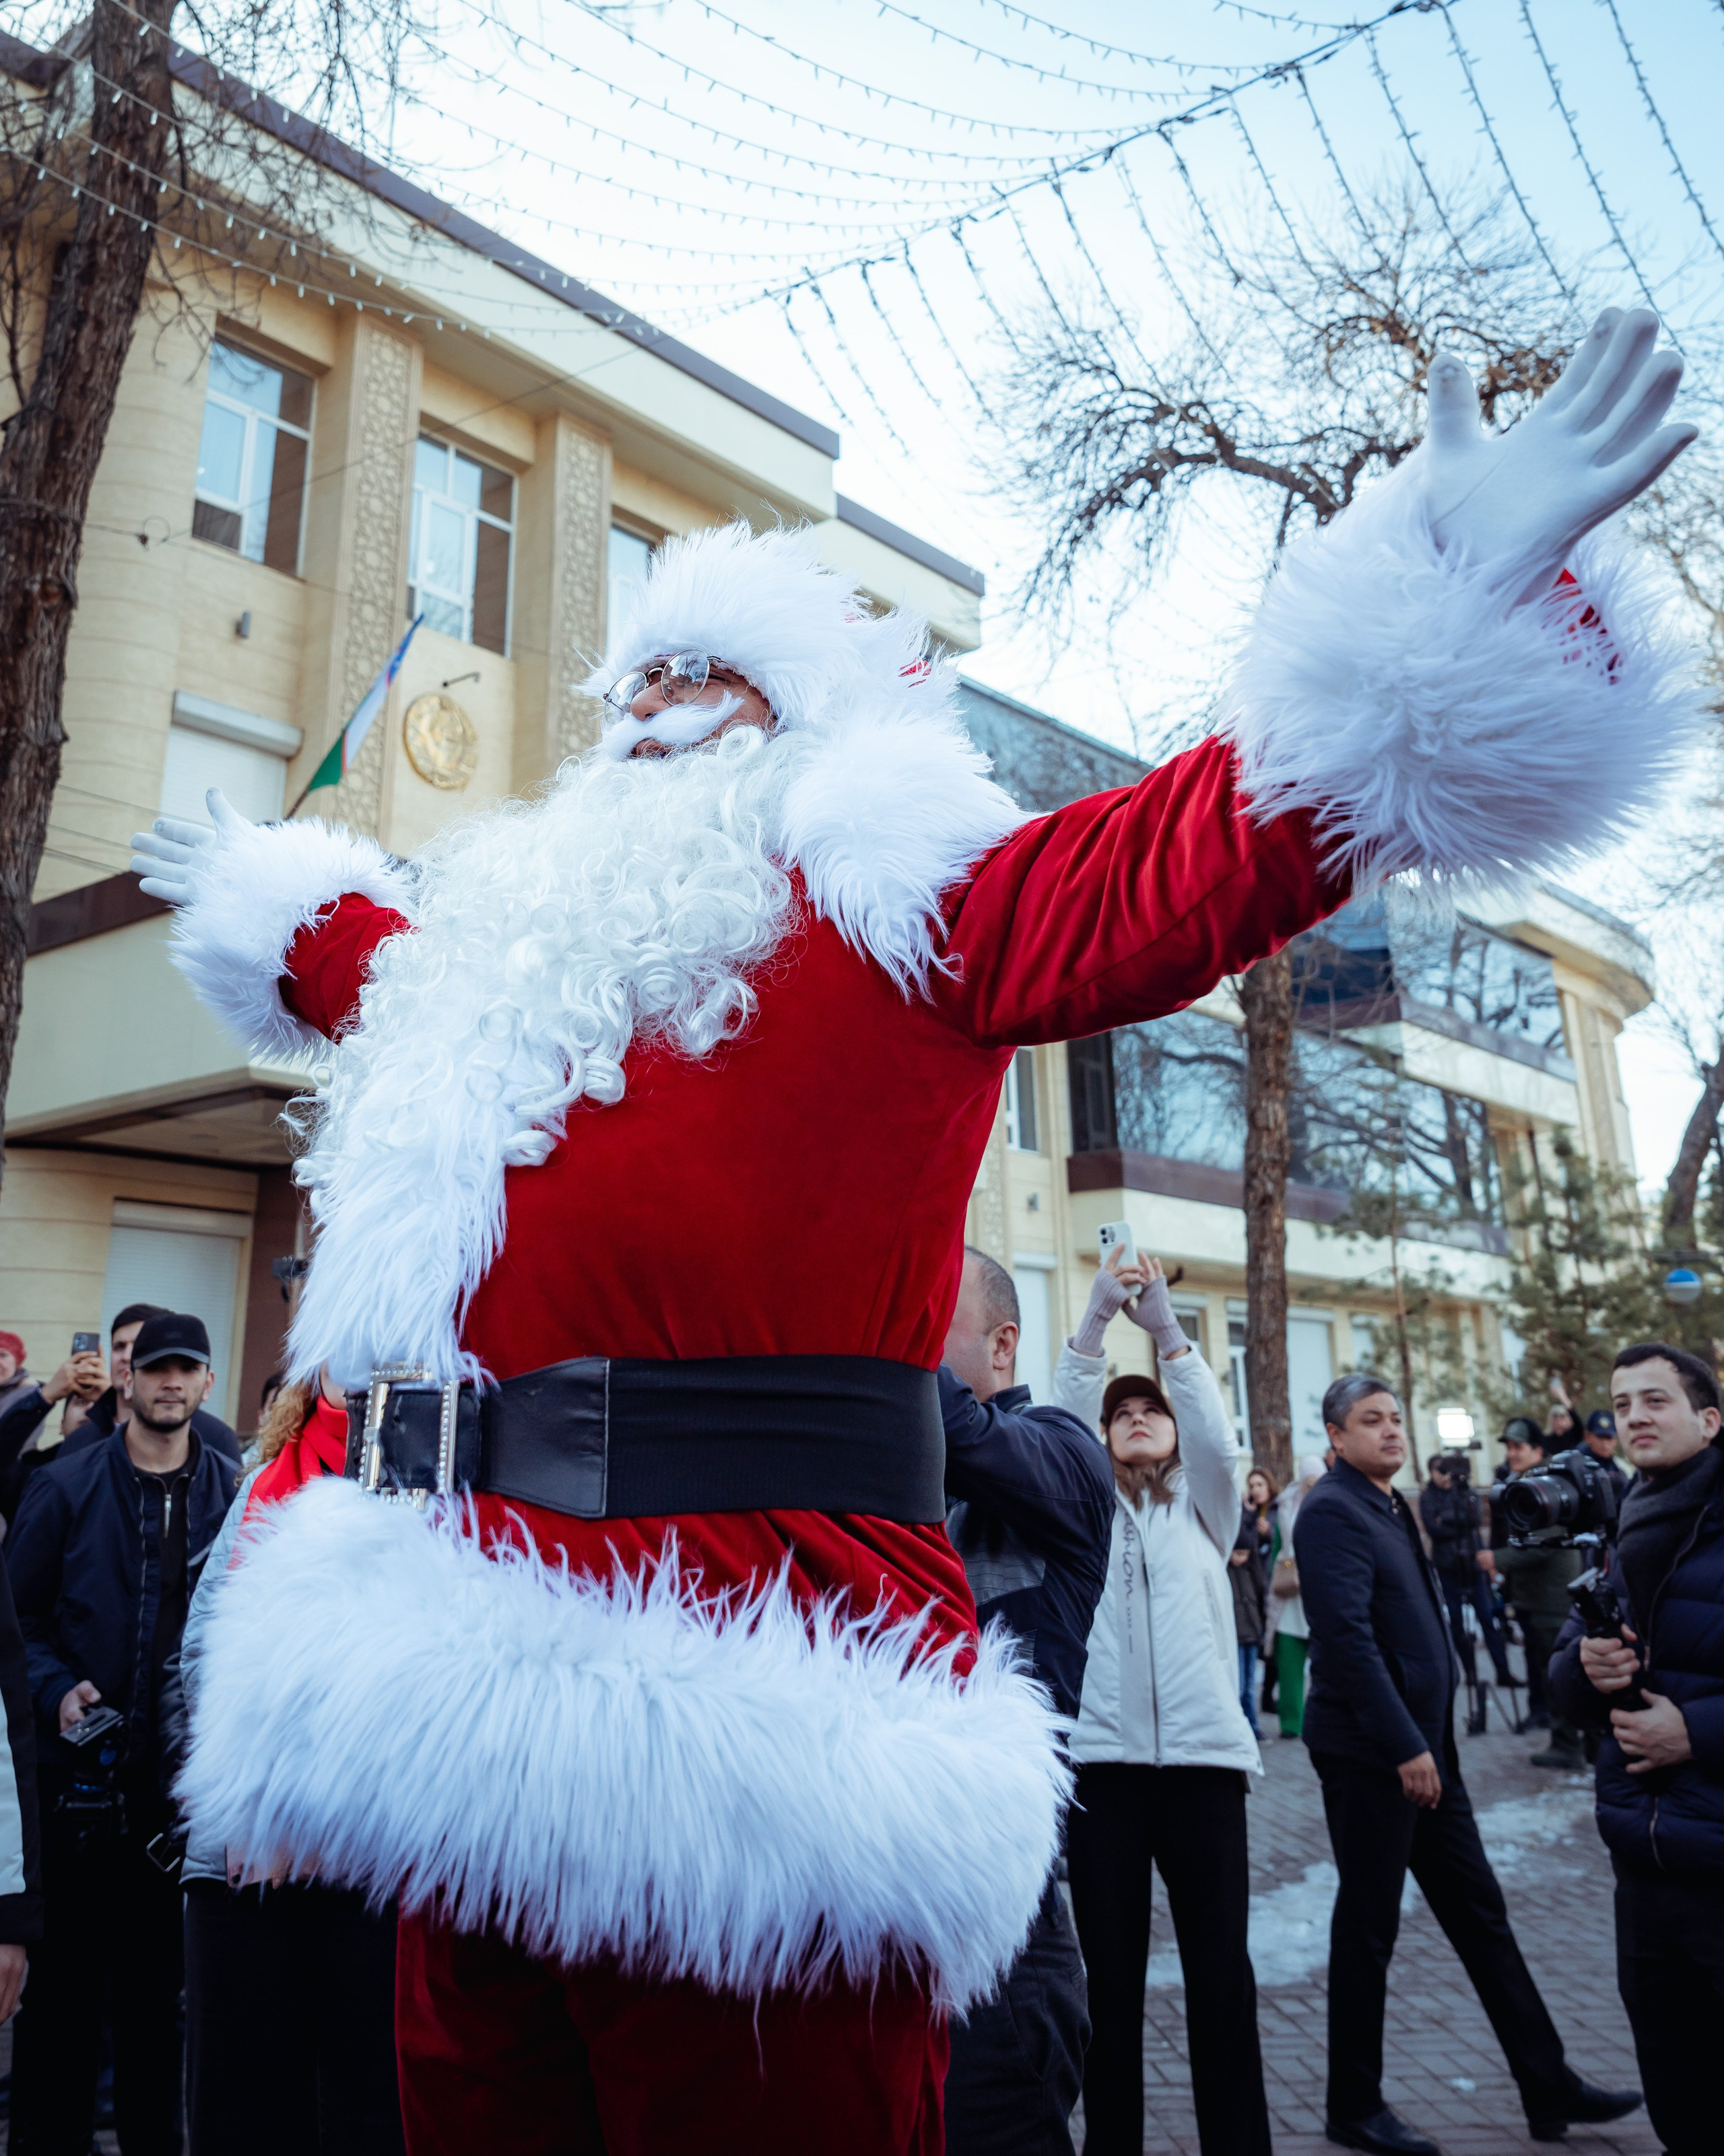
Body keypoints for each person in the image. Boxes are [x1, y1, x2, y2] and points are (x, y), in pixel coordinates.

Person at [132, 311, 1695, 2148]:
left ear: (808, 729)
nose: (652, 714)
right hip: (448, 1694)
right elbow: (334, 955)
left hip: (756, 1694)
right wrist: (265, 894)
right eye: (635, 684)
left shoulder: (903, 907)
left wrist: (1438, 611)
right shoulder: (501, 970)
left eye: (706, 681)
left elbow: (1175, 862)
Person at [1298, 1372, 1639, 2155]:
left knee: (1481, 1917)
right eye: (1371, 1420)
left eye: (1395, 1417)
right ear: (1336, 1438)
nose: (1390, 1430)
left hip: (1426, 1751)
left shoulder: (1387, 1504)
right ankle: (1352, 2105)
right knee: (1368, 1928)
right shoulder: (1330, 1512)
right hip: (1376, 1757)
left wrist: (1429, 1742)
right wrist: (1404, 1747)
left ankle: (1545, 2082)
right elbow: (1346, 1643)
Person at [7, 1312, 240, 2155]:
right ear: (127, 1380)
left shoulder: (234, 1495)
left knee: (160, 2008)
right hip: (76, 1797)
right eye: (155, 1369)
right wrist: (57, 1690)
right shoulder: (65, 1488)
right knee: (62, 2004)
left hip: (179, 1808)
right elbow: (15, 1625)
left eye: (187, 1369)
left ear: (207, 1384)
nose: (171, 1383)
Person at [1055, 1257, 1269, 2156]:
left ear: (1177, 1435)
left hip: (1205, 1775)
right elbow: (1059, 1428)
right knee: (1111, 1991)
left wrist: (1170, 1332)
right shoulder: (1077, 1512)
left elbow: (1222, 1441)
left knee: (1222, 1981)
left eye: (1153, 1409)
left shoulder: (1208, 1511)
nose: (1136, 1416)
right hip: (1103, 1776)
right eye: (1121, 1412)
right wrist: (1096, 1326)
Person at [176, 1367, 407, 2156]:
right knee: (241, 2115)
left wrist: (316, 1802)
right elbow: (201, 1649)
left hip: (375, 1861)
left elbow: (416, 1664)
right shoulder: (262, 1479)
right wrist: (256, 1797)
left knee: (367, 2114)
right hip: (241, 1859)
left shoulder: (434, 1482)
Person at [938, 1248, 1113, 2156]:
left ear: (1003, 1344)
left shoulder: (1064, 1450)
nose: (909, 1330)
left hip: (1007, 1933)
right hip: (906, 1897)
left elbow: (964, 1435)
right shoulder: (907, 1481)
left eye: (931, 1311)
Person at [1548, 1342, 1724, 2156]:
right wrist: (1587, 1668)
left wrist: (1697, 1731)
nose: (1634, 1418)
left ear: (1708, 1418)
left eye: (1655, 1400)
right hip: (1642, 1867)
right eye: (1621, 1405)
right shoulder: (1621, 1524)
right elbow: (1564, 1686)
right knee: (1678, 2100)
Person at [0, 1302, 240, 1497]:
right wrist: (45, 1397)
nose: (127, 1356)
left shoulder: (215, 1439)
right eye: (119, 1346)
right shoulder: (84, 1436)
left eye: (139, 1349)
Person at [1494, 1418, 1585, 1769]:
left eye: (1518, 1447)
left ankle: (1569, 1746)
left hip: (1552, 1600)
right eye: (1509, 1447)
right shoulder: (1531, 1481)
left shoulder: (1544, 1485)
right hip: (1541, 1598)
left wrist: (1497, 1559)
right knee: (1556, 1673)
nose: (1511, 1454)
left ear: (1537, 1450)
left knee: (1558, 1676)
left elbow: (1544, 1544)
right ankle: (1582, 1744)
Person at [1420, 1451, 1513, 1724]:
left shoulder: (1466, 1490)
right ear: (1432, 1473)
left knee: (1487, 1619)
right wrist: (1453, 1520)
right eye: (1440, 1470)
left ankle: (1504, 1671)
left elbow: (1473, 1519)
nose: (1446, 1475)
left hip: (1473, 1565)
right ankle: (1469, 1673)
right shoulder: (1428, 1496)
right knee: (1457, 1623)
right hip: (1448, 1567)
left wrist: (1445, 1519)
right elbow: (1433, 1529)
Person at [1266, 1455, 1325, 1738]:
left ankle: (1329, 1721)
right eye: (1308, 1482)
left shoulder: (1333, 1503)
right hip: (1290, 1596)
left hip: (1323, 1596)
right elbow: (1279, 1548)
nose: (1312, 1487)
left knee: (1330, 1667)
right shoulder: (1286, 1506)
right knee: (1289, 1665)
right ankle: (1291, 1724)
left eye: (1317, 1482)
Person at [1231, 1505, 1269, 1734]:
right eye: (1237, 1553)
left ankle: (1253, 1726)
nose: (1241, 1558)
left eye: (1245, 1554)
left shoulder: (1250, 1572)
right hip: (1235, 1635)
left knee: (1249, 1687)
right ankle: (1243, 1726)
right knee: (1239, 1684)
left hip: (1251, 1634)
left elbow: (1259, 1594)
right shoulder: (1226, 1572)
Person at [1581, 1408, 1629, 1523]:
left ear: (1616, 1440)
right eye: (1600, 1437)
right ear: (1588, 1436)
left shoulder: (1622, 1467)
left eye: (1609, 1438)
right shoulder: (1577, 1465)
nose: (1605, 1444)